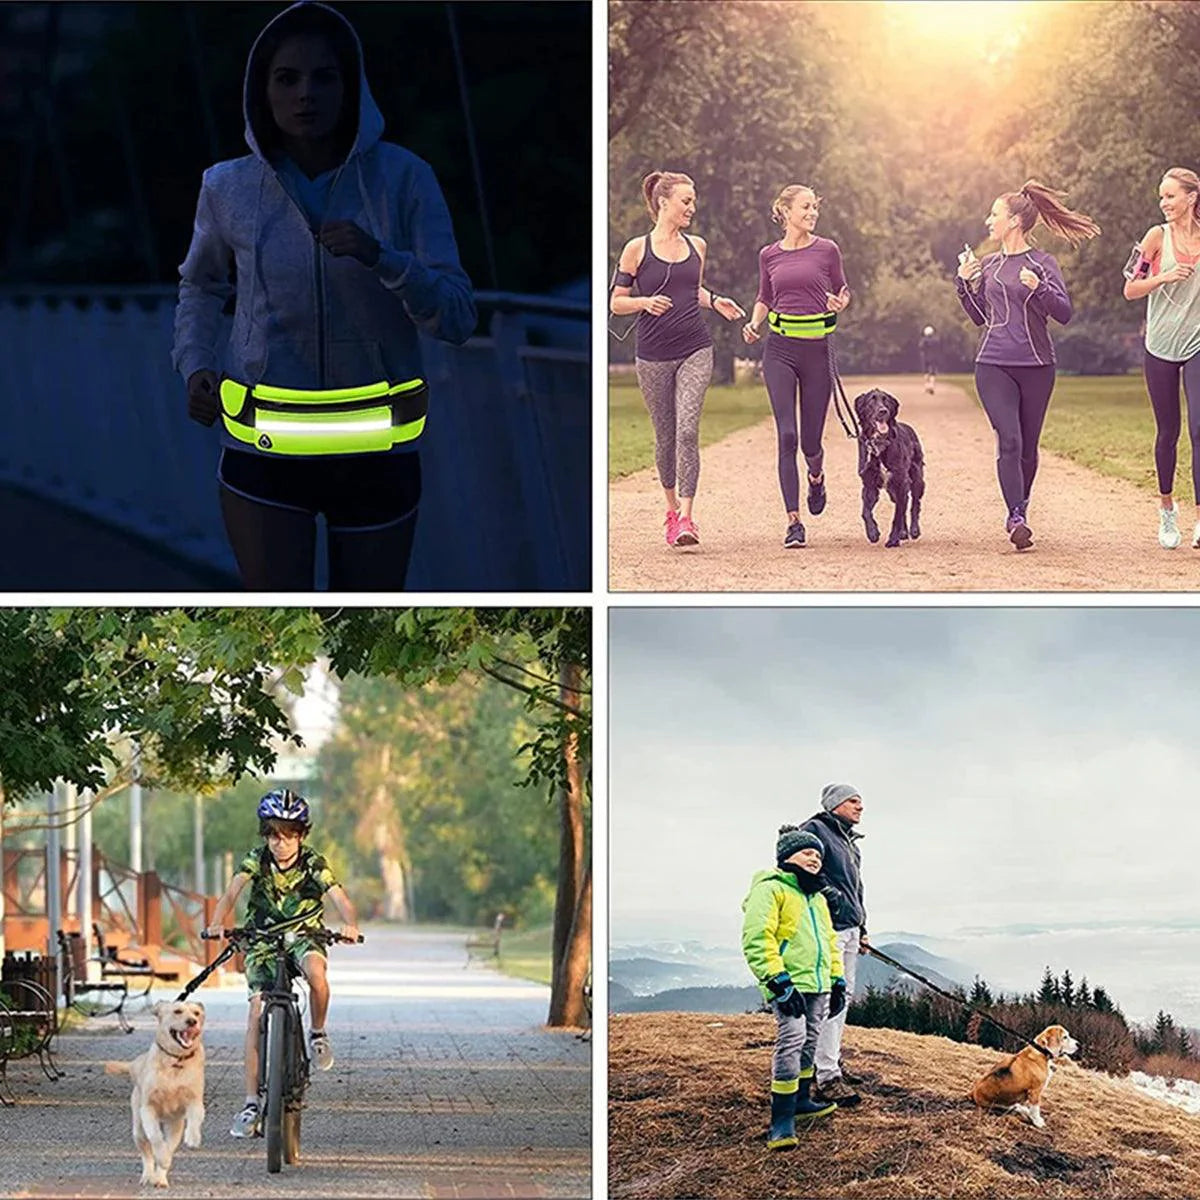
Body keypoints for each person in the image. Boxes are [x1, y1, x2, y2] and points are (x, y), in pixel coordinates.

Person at [172, 1, 476, 591]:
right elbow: (200, 286)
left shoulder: (404, 178)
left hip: (378, 451)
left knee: (361, 636)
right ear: (261, 90)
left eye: (323, 77)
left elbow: (459, 316)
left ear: (351, 87)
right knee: (275, 633)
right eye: (286, 78)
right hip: (262, 446)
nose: (305, 93)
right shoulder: (226, 185)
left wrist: (382, 257)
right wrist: (195, 366)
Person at [204, 788, 360, 1138]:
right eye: (273, 834)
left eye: (288, 835)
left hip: (306, 934)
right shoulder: (255, 859)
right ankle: (250, 1103)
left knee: (317, 975)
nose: (280, 842)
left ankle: (317, 1032)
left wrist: (351, 924)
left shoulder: (314, 862)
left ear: (302, 835)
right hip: (262, 938)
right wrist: (217, 921)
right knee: (256, 1012)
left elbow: (340, 897)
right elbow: (232, 892)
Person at [955, 180, 1100, 551]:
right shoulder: (988, 265)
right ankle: (1015, 517)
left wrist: (1039, 287)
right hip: (993, 363)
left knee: (1029, 448)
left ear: (1015, 221)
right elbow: (978, 318)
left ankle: (1021, 507)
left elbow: (1064, 314)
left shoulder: (1043, 263)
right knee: (1010, 439)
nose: (988, 220)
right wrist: (963, 284)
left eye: (994, 214)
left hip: (1037, 365)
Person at [610, 171, 745, 549]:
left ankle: (687, 517)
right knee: (665, 436)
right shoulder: (636, 249)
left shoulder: (697, 246)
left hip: (695, 348)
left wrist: (716, 301)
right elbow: (616, 303)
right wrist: (644, 302)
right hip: (652, 356)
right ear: (663, 202)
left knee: (687, 431)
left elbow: (692, 290)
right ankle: (670, 512)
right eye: (686, 200)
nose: (692, 207)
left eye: (694, 200)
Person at [743, 184, 851, 549]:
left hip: (817, 351)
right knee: (786, 435)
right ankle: (793, 522)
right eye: (805, 207)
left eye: (814, 208)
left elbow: (843, 291)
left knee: (811, 442)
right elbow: (765, 296)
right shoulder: (768, 255)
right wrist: (755, 324)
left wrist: (840, 302)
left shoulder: (827, 250)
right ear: (785, 212)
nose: (812, 213)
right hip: (780, 350)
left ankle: (816, 477)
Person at [742, 825, 845, 1150]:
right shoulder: (771, 889)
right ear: (787, 856)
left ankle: (801, 1100)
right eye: (807, 853)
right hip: (789, 983)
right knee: (792, 1040)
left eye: (818, 855)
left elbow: (830, 942)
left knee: (810, 1041)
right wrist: (778, 982)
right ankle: (781, 1119)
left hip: (818, 983)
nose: (815, 859)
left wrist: (837, 979)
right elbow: (758, 937)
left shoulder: (816, 897)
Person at [1122, 167, 1200, 550]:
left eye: (1171, 196)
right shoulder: (1156, 237)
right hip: (1160, 345)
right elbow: (1130, 289)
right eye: (1161, 197)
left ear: (1191, 197)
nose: (1164, 203)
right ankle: (1167, 510)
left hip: (1198, 342)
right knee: (1168, 431)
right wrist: (1164, 278)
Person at [799, 783, 868, 1108]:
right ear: (835, 804)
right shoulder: (815, 830)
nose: (860, 806)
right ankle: (825, 1077)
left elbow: (857, 888)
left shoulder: (849, 842)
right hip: (829, 929)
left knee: (842, 1000)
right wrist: (836, 904)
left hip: (850, 929)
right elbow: (807, 874)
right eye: (853, 800)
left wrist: (862, 927)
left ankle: (829, 1063)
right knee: (828, 1000)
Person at [920, 325, 939, 394]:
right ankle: (932, 386)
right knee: (933, 373)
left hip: (925, 358)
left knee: (926, 372)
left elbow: (921, 348)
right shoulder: (936, 340)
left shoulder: (923, 341)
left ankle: (926, 387)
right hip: (934, 358)